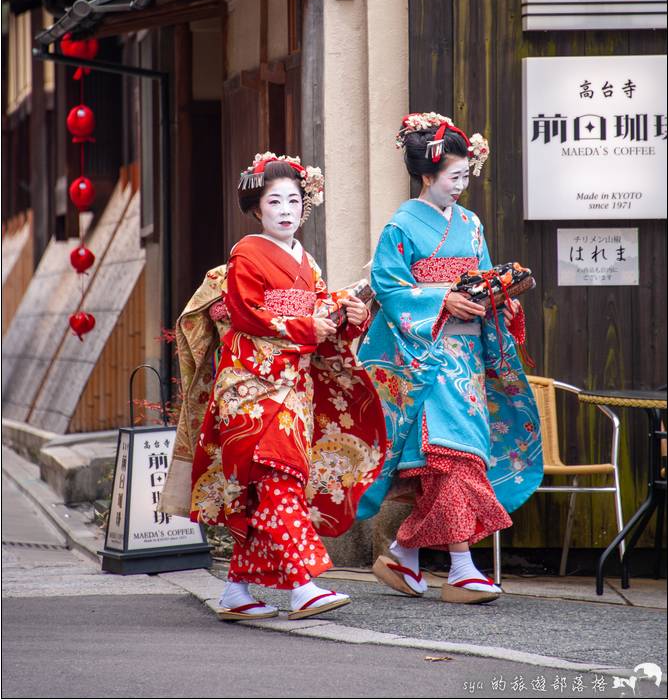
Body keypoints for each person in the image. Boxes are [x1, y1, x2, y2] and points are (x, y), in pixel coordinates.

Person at [160, 152, 386, 621]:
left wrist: (348, 313)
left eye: (294, 200)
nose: (286, 209)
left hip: (293, 387)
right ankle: (304, 586)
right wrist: (309, 326)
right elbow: (247, 315)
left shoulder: (307, 260)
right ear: (257, 208)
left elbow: (323, 313)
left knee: (270, 488)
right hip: (250, 386)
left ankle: (237, 591)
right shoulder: (247, 253)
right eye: (274, 200)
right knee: (278, 477)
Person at [356, 114, 542, 604]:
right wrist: (442, 298)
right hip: (426, 356)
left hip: (467, 358)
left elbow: (481, 281)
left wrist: (501, 298)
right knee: (448, 458)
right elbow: (390, 287)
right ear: (427, 176)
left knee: (462, 456)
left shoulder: (471, 224)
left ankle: (404, 556)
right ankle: (461, 567)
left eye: (465, 176)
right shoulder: (401, 225)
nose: (461, 186)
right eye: (453, 177)